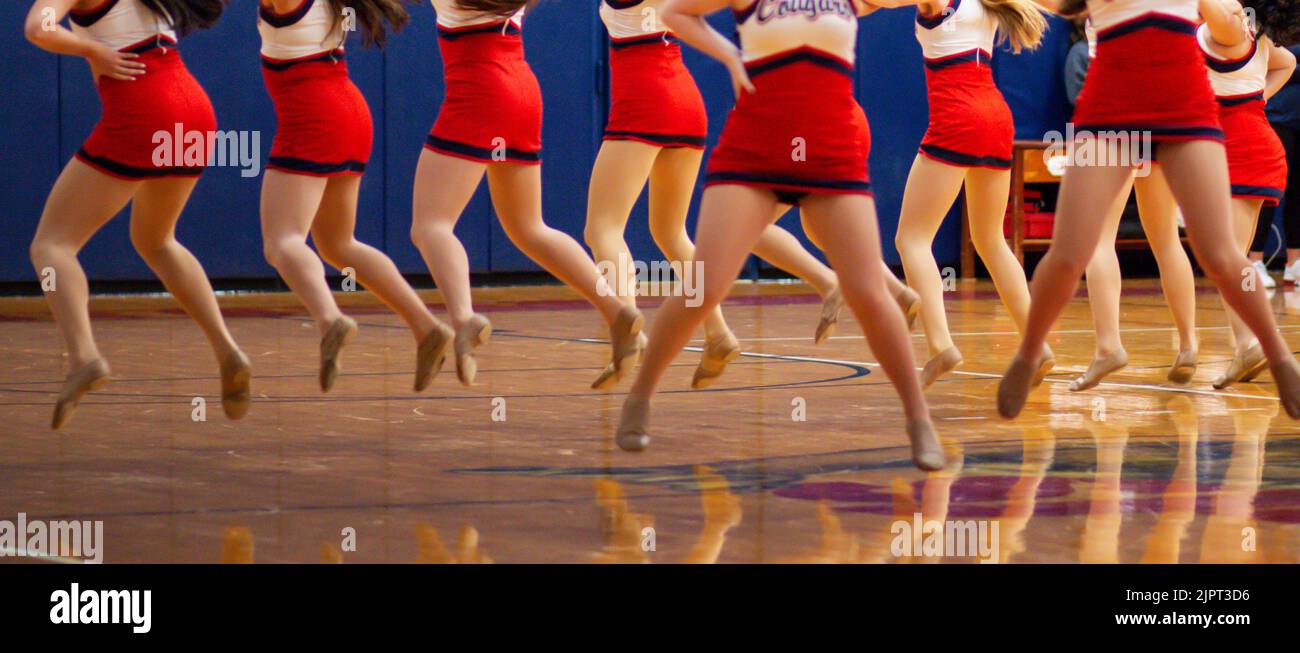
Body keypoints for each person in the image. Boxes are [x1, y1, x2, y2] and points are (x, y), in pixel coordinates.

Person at [614, 0, 945, 471]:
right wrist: (728, 54)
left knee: (870, 291)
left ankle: (918, 421)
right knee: (704, 288)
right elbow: (674, 13)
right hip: (754, 150)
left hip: (830, 150)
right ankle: (641, 395)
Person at [997, 0, 1300, 419]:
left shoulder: (1222, 19)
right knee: (1069, 252)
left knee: (1219, 254)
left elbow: (1232, 24)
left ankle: (1277, 355)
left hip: (1184, 101)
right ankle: (1028, 353)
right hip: (1111, 103)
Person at [24, 0, 251, 429]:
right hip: (194, 110)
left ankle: (84, 357)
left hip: (145, 109)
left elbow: (39, 27)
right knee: (157, 240)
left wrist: (93, 51)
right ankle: (227, 350)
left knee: (51, 245)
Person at [410, 0, 643, 388]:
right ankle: (617, 310)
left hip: (480, 90)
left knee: (430, 225)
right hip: (520, 88)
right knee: (528, 228)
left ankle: (464, 318)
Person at [259, 0, 457, 393]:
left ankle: (329, 319)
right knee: (338, 244)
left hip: (314, 114)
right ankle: (426, 327)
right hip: (347, 110)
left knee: (282, 241)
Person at [875, 0, 1055, 388]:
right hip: (997, 116)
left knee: (912, 239)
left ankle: (940, 345)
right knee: (991, 240)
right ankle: (1036, 345)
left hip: (959, 116)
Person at [1199, 0, 1296, 388]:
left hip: (1240, 153)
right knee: (1233, 261)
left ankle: (1252, 344)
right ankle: (1247, 345)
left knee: (1230, 261)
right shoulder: (1258, 36)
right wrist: (1261, 97)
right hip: (1253, 146)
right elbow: (1286, 63)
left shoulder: (1229, 28)